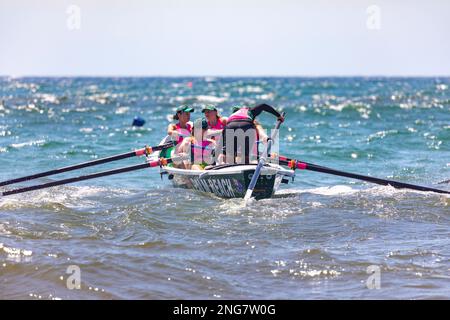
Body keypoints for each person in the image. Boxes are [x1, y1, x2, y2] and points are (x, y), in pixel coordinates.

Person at [220, 103, 284, 164]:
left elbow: (223, 136)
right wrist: (278, 116)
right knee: (245, 156)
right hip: (246, 125)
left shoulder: (231, 117)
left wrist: (223, 151)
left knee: (230, 156)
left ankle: (229, 168)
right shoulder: (249, 111)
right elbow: (263, 105)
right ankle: (245, 167)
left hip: (231, 126)